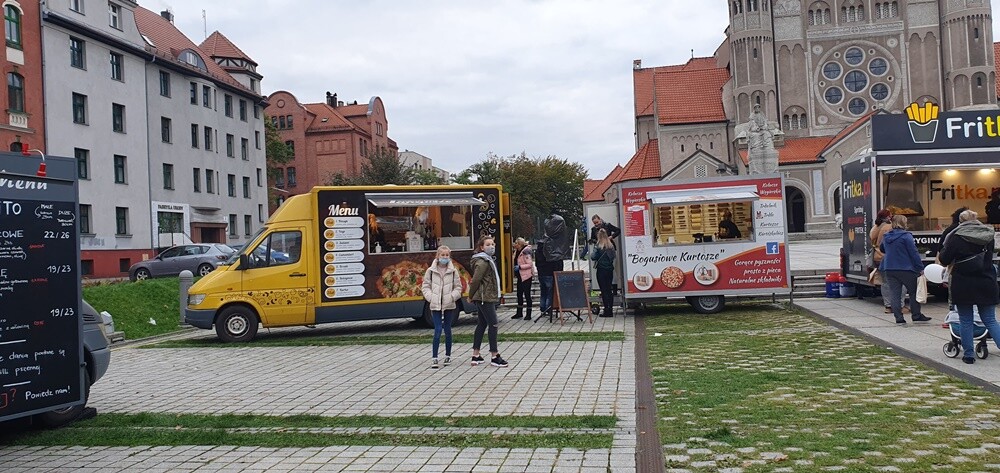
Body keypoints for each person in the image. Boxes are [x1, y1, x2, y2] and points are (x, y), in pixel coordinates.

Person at [938, 210, 1000, 365]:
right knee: (990, 320)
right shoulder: (988, 235)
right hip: (986, 280)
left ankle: (969, 355)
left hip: (963, 282)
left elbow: (944, 259)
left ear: (960, 221)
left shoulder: (956, 237)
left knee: (966, 320)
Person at [879, 214, 932, 324]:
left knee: (895, 294)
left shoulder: (886, 236)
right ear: (904, 223)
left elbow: (882, 249)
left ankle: (899, 318)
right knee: (913, 292)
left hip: (889, 268)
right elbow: (913, 253)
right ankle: (916, 315)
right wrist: (920, 267)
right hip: (906, 268)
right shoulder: (906, 236)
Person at [421, 246, 463, 369]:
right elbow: (425, 286)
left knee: (448, 330)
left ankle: (448, 355)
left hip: (449, 304)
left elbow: (458, 287)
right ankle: (434, 357)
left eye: (446, 255)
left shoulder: (453, 271)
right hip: (435, 304)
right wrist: (431, 297)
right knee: (438, 330)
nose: (444, 257)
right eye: (442, 255)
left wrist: (452, 297)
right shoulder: (431, 271)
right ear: (437, 256)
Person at [469, 235, 507, 368]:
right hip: (485, 297)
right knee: (494, 324)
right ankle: (494, 355)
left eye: (492, 244)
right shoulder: (482, 262)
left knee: (482, 324)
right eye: (488, 244)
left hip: (485, 296)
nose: (491, 247)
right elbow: (476, 279)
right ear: (481, 247)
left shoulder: (487, 260)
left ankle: (476, 355)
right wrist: (471, 295)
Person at [870, 208, 906, 314]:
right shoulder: (889, 228)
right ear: (888, 217)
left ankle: (888, 306)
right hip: (890, 257)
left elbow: (872, 239)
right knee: (901, 282)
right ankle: (900, 305)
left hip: (878, 257)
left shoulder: (875, 227)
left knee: (885, 283)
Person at [591, 228, 616, 318]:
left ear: (599, 236)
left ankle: (606, 310)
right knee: (609, 290)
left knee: (604, 290)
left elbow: (593, 257)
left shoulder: (598, 245)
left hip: (601, 269)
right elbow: (613, 256)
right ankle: (611, 309)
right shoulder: (611, 245)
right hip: (609, 269)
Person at [512, 237, 534, 320]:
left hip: (526, 276)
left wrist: (520, 267)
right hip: (520, 276)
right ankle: (519, 312)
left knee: (527, 295)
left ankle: (528, 314)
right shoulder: (517, 252)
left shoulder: (525, 252)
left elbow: (529, 264)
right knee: (519, 294)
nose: (515, 245)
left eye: (516, 243)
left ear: (520, 244)